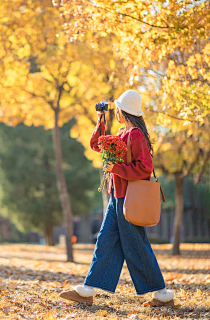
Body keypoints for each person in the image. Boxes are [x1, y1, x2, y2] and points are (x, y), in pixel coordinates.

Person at [60, 90, 174, 307]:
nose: (117, 113)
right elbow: (97, 145)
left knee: (136, 246)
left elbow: (145, 168)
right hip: (117, 197)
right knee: (105, 241)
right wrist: (100, 120)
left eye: (118, 109)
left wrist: (117, 168)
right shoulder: (123, 133)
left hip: (129, 199)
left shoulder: (136, 136)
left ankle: (161, 293)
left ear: (125, 111)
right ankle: (87, 290)